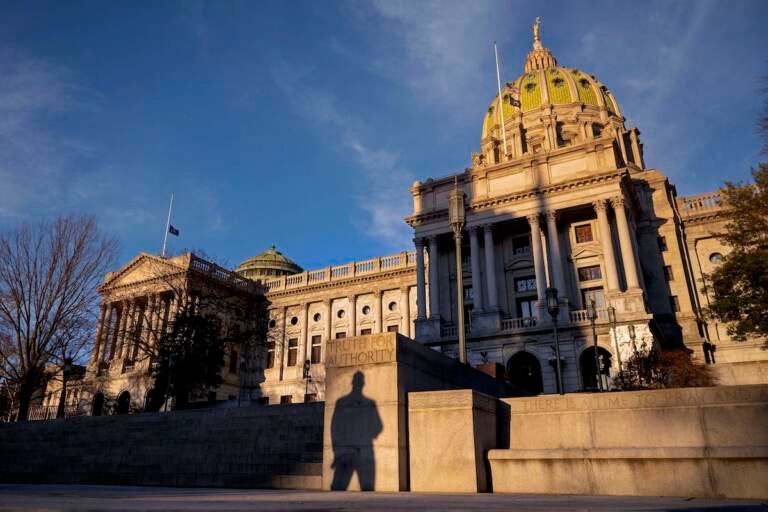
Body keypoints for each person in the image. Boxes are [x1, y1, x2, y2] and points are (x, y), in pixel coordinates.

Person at [330, 371, 382, 491]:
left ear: (352, 383)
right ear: (363, 383)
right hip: (357, 450)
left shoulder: (342, 402)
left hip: (352, 450)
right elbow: (378, 426)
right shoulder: (368, 403)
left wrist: (336, 451)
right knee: (343, 488)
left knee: (340, 489)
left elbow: (335, 429)